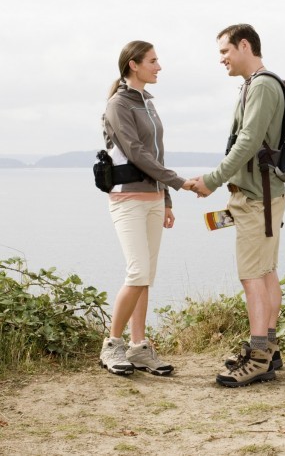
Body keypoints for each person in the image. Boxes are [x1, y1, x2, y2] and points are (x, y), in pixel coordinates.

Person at [190, 24, 285, 387]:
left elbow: (246, 142)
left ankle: (258, 356)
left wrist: (212, 180)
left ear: (244, 45)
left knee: (252, 277)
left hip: (256, 197)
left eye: (224, 52)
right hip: (265, 194)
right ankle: (270, 351)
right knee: (265, 272)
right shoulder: (260, 84)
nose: (222, 60)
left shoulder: (261, 84)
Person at [98, 40, 196, 376]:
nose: (159, 66)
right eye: (153, 61)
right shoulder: (118, 105)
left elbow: (157, 154)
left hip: (154, 200)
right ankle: (112, 345)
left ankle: (139, 348)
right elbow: (137, 153)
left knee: (146, 278)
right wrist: (179, 182)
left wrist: (166, 198)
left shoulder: (148, 104)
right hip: (127, 199)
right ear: (134, 64)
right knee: (137, 273)